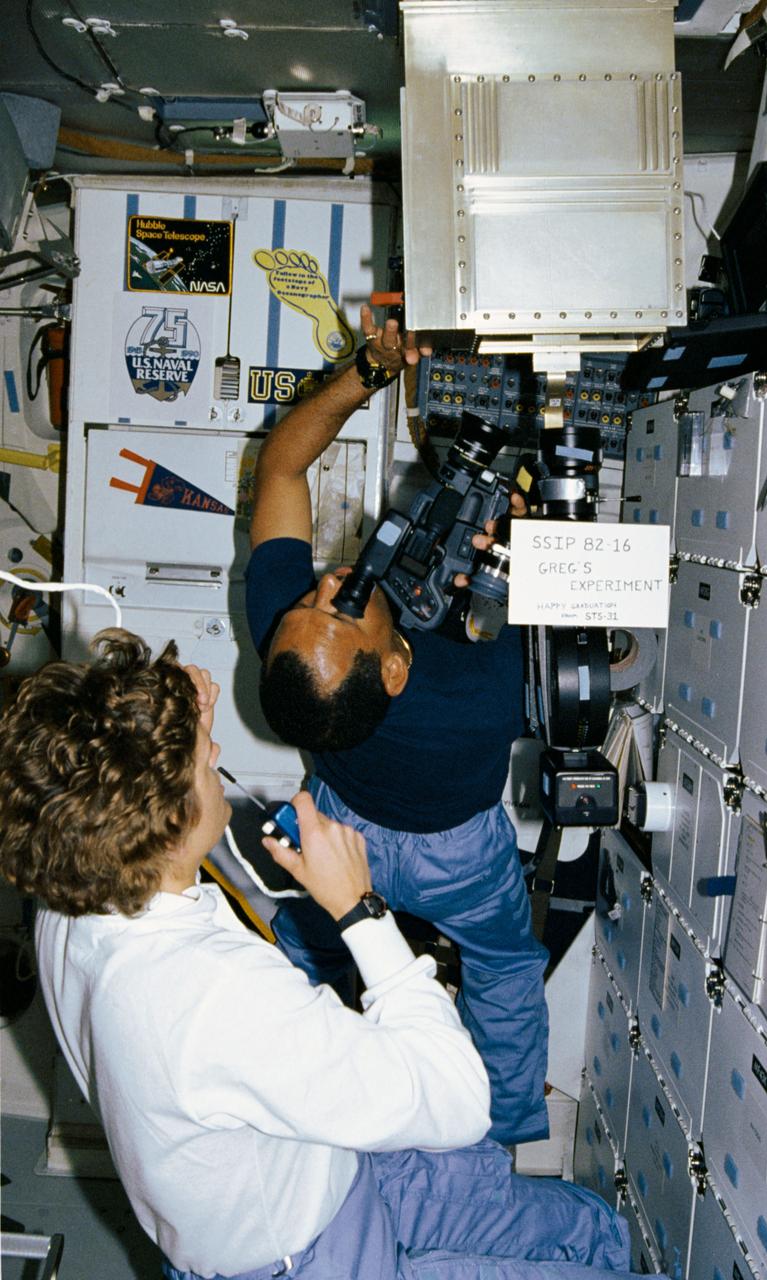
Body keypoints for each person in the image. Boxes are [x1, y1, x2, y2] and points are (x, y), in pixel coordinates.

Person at [0, 629, 648, 1280]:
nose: (215, 749)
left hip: (325, 1172)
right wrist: (358, 908)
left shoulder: (72, 897)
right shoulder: (216, 992)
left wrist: (171, 726)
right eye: (202, 759)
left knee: (589, 1227)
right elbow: (454, 1098)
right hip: (309, 1260)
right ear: (166, 821)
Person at [246, 306, 549, 1147]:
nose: (330, 585)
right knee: (503, 968)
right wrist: (525, 544)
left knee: (308, 953)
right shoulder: (478, 696)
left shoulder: (296, 647)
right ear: (393, 670)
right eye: (343, 610)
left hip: (339, 832)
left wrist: (369, 368)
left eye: (311, 601)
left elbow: (281, 465)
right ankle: (504, 1133)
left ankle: (294, 1107)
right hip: (457, 857)